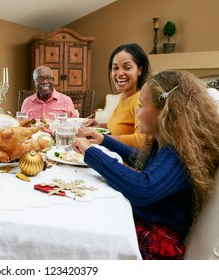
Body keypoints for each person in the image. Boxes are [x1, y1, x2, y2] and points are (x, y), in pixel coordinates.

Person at [72, 70, 219, 259]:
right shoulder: (164, 143)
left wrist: (90, 153)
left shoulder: (178, 154)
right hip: (149, 222)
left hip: (158, 239)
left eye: (141, 105)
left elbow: (143, 188)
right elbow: (139, 158)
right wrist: (103, 140)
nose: (136, 111)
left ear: (165, 112)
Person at [81, 44, 151, 147]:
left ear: (140, 70)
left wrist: (103, 139)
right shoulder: (124, 96)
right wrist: (101, 126)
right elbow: (123, 127)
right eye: (115, 68)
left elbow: (143, 140)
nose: (119, 73)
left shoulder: (140, 100)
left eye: (127, 68)